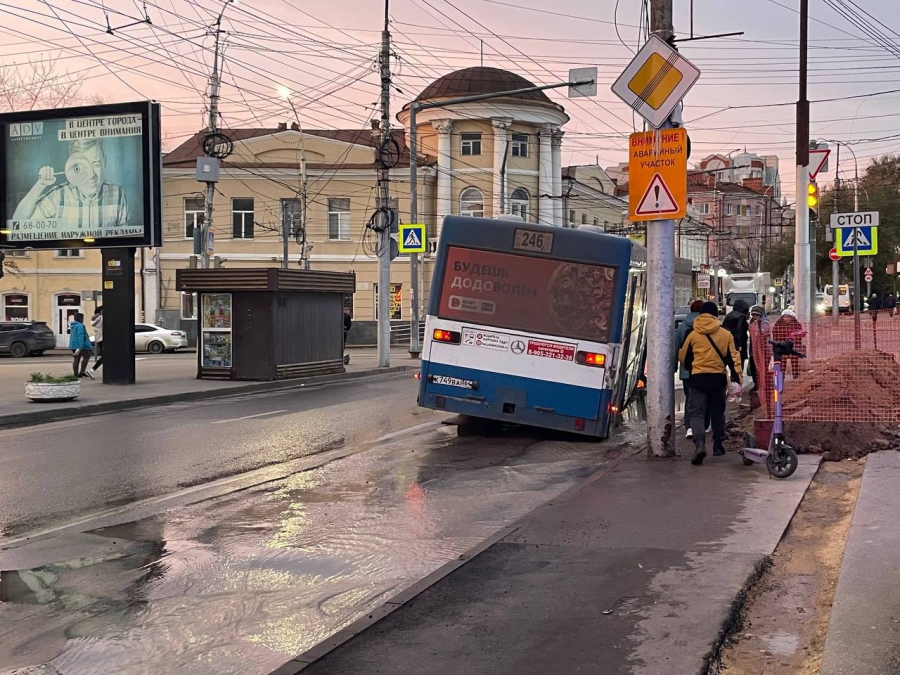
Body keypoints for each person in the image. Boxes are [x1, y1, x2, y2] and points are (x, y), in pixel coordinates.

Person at [12, 138, 128, 233]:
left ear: (105, 161)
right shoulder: (58, 197)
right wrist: (40, 185)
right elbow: (17, 225)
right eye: (82, 166)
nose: (91, 175)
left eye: (96, 164)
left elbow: (125, 238)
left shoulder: (117, 194)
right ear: (74, 167)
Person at [679, 301, 742, 465]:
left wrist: (691, 368)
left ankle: (700, 443)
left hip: (698, 379)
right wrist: (737, 379)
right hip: (717, 379)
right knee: (718, 412)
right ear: (715, 315)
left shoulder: (692, 334)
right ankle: (718, 445)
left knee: (697, 413)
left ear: (700, 315)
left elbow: (683, 357)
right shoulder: (725, 334)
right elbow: (734, 359)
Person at [675, 299, 710, 439]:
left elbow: (676, 348)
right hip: (704, 368)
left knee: (690, 398)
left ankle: (689, 427)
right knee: (705, 397)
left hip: (687, 370)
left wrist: (674, 366)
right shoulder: (708, 326)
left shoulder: (682, 327)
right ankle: (704, 425)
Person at [773, 309, 804, 378]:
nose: (786, 319)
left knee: (795, 363)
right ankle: (781, 378)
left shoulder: (796, 324)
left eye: (788, 317)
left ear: (791, 317)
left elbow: (800, 334)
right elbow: (775, 334)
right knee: (782, 364)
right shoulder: (778, 324)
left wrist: (794, 340)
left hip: (793, 347)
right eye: (785, 317)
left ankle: (796, 377)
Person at [722, 298, 751, 371]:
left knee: (730, 364)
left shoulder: (729, 315)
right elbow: (739, 331)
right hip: (737, 346)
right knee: (738, 366)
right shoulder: (742, 317)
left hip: (727, 344)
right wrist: (739, 345)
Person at [748, 304, 770, 393]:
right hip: (754, 349)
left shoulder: (764, 323)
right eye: (753, 315)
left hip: (764, 350)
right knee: (754, 368)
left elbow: (764, 333)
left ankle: (764, 385)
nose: (755, 317)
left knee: (763, 368)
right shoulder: (753, 322)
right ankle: (757, 385)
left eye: (756, 315)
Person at [68, 312, 94, 379]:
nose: (83, 320)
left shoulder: (73, 326)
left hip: (74, 345)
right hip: (82, 345)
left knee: (76, 358)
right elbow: (80, 336)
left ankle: (76, 374)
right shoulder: (80, 326)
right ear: (80, 318)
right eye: (82, 318)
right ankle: (82, 371)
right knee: (87, 356)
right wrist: (80, 347)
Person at [91, 306, 103, 373]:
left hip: (98, 338)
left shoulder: (94, 319)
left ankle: (92, 369)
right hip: (102, 337)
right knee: (105, 355)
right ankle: (92, 370)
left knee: (104, 355)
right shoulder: (101, 317)